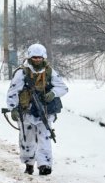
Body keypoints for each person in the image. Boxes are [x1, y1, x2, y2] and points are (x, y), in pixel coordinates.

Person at [7, 43, 68, 175]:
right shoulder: (22, 72)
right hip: (27, 112)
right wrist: (13, 108)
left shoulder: (49, 71)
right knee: (27, 139)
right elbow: (13, 92)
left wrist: (53, 93)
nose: (37, 60)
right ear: (30, 57)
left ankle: (44, 165)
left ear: (43, 57)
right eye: (34, 57)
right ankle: (29, 164)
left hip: (44, 112)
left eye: (39, 57)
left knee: (45, 138)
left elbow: (63, 87)